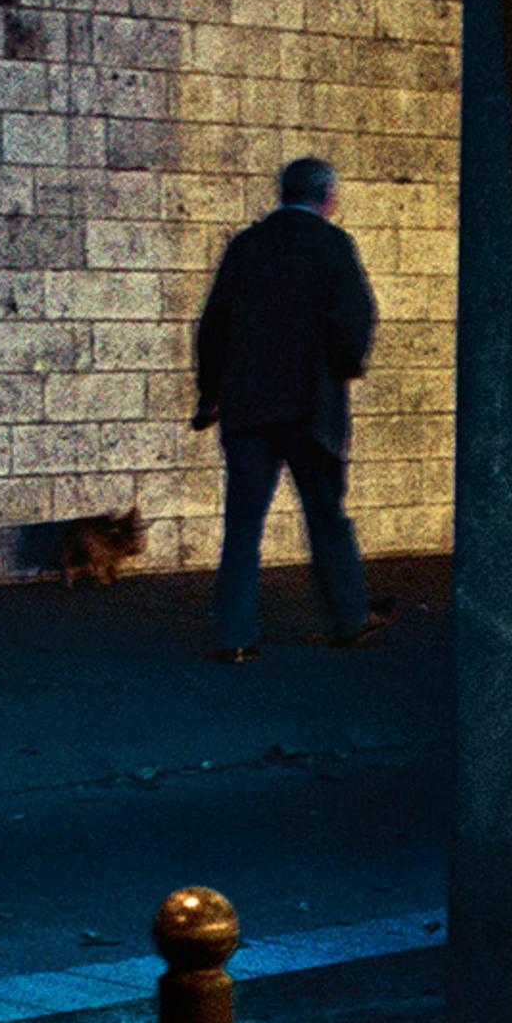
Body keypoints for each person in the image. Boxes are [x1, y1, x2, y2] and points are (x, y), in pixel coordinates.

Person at [190, 154, 391, 662]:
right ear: (328, 198)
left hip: (248, 411)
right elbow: (357, 318)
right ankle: (349, 618)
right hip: (311, 408)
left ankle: (234, 637)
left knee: (243, 526)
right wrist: (342, 369)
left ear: (282, 193)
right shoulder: (332, 246)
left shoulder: (247, 246)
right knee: (326, 517)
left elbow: (214, 326)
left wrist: (209, 393)